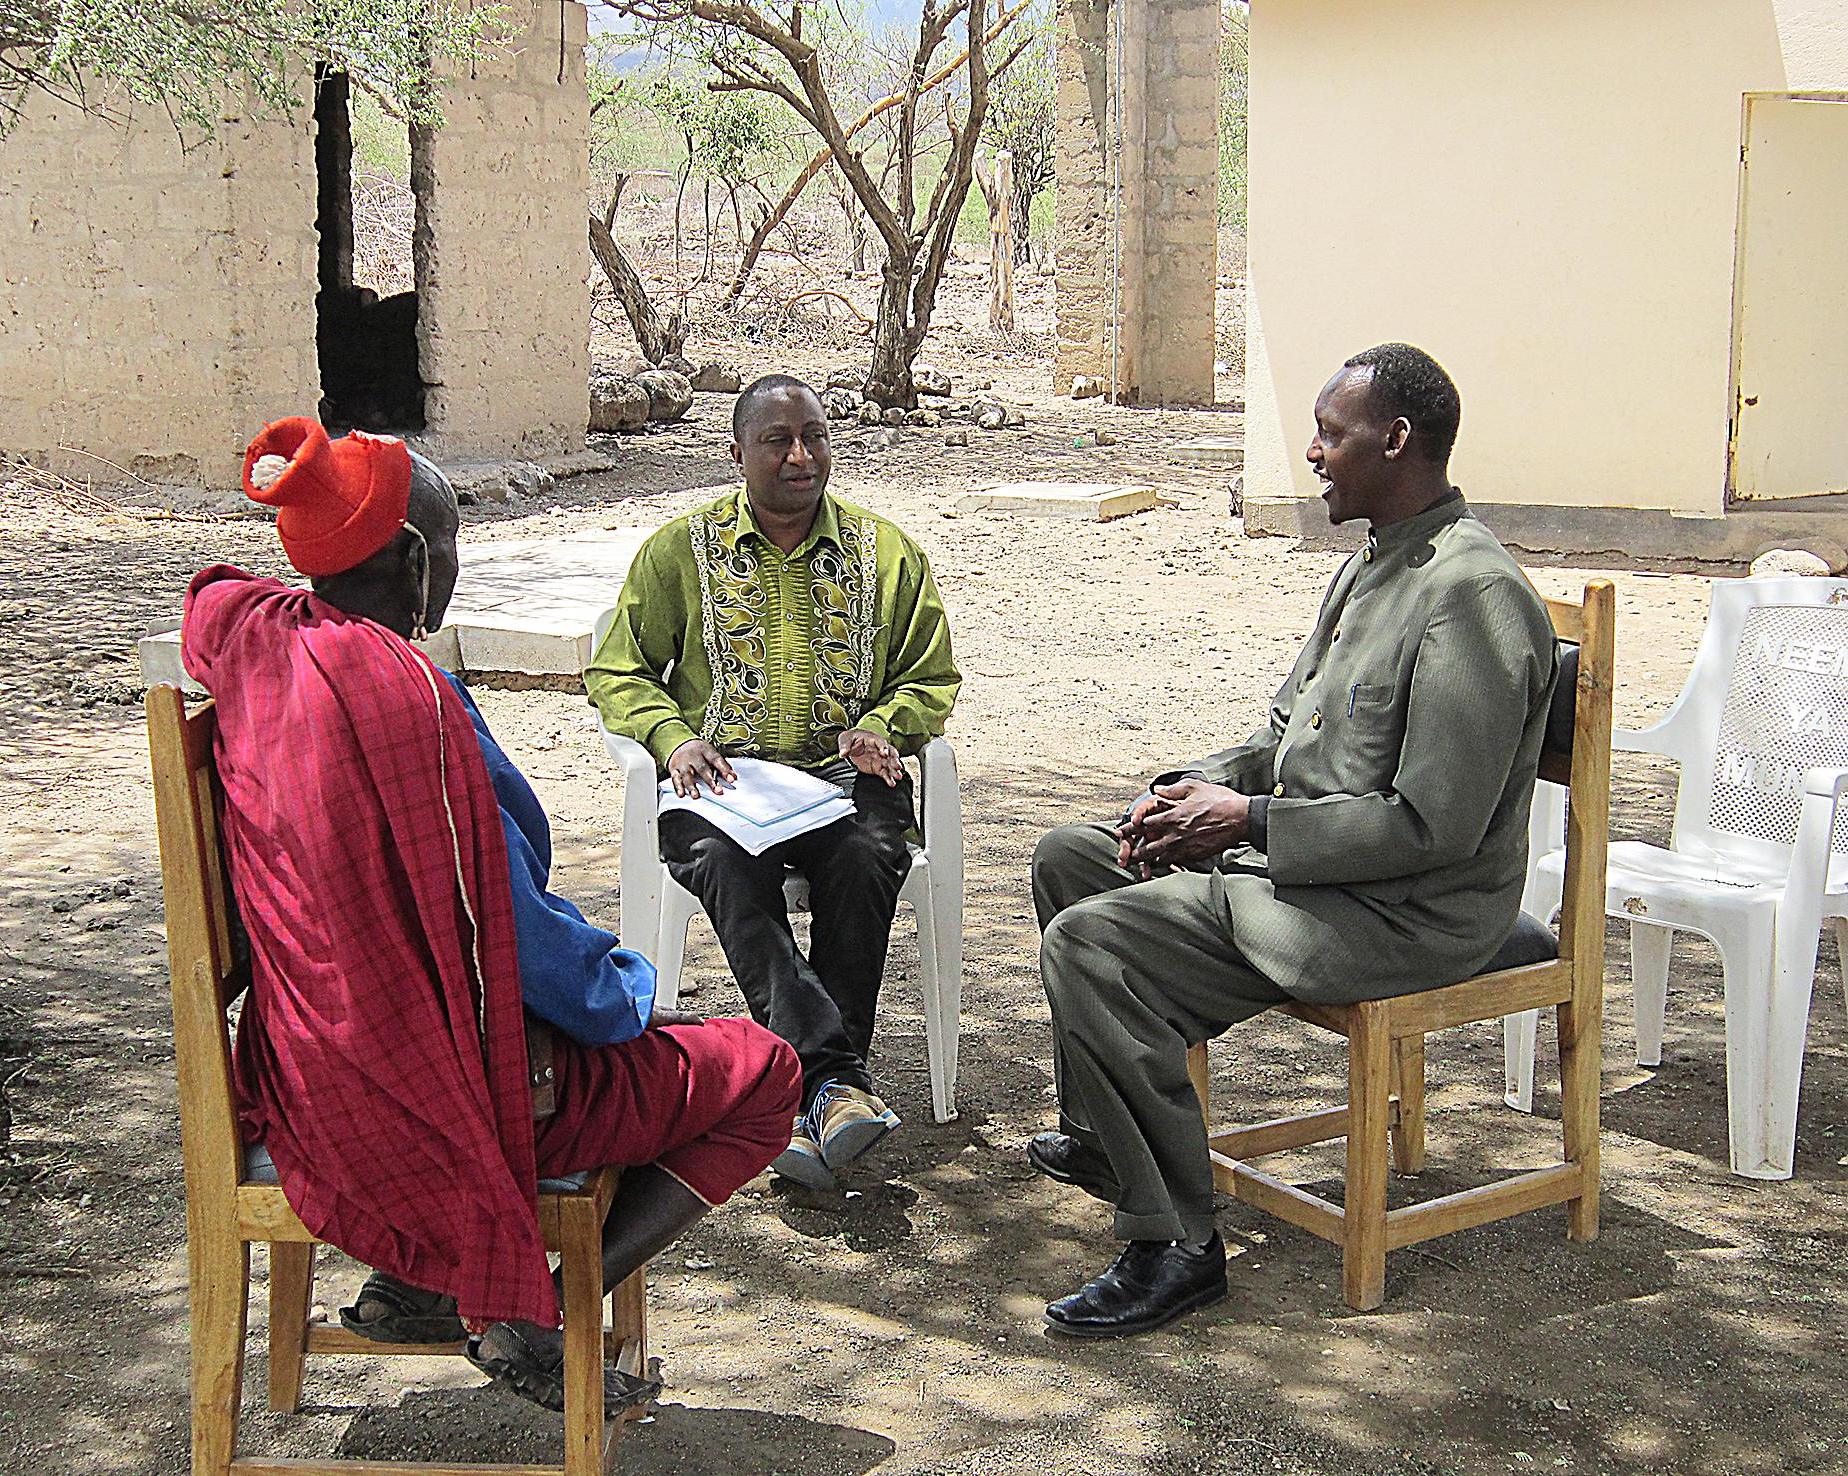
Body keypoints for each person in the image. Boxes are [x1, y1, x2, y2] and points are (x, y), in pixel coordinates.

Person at [180, 417, 800, 1413]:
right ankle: (530, 1305)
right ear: (418, 559)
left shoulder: (255, 647)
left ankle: (420, 1283)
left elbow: (206, 600)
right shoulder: (415, 708)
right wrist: (629, 996)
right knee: (762, 1072)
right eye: (455, 544)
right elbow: (510, 939)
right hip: (429, 1115)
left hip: (298, 1084)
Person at [1030, 344, 1557, 1338]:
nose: (1311, 452)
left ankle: (1175, 1244)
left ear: (1395, 440)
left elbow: (1428, 827)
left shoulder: (1471, 597)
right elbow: (1287, 734)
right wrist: (1204, 788)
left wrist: (1245, 825)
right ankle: (1110, 1137)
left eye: (1331, 432)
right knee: (1073, 856)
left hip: (1403, 914)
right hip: (1315, 875)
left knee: (1092, 945)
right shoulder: (1373, 564)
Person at [585, 374, 960, 1189]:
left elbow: (929, 675)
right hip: (723, 779)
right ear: (736, 454)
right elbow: (619, 669)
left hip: (842, 777)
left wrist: (886, 725)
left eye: (815, 437)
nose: (801, 456)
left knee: (867, 855)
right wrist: (672, 737)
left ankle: (803, 1093)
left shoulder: (885, 552)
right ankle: (833, 1084)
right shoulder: (678, 551)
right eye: (777, 441)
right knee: (720, 863)